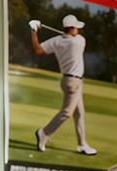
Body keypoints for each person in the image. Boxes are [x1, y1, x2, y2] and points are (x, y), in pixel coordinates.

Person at [29, 15, 97, 156]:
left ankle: (82, 144)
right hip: (74, 82)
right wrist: (67, 36)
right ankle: (44, 133)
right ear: (71, 28)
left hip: (68, 80)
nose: (78, 30)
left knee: (79, 113)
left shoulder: (57, 41)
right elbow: (74, 39)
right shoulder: (79, 41)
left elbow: (38, 49)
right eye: (76, 27)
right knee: (67, 112)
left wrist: (34, 31)